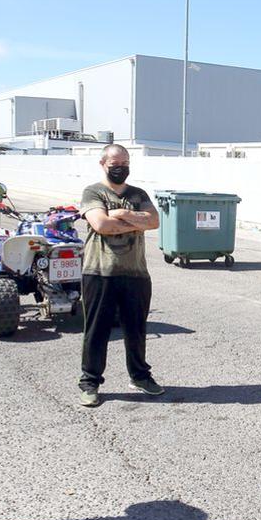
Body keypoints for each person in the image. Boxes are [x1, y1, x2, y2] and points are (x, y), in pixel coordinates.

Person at [77, 144, 162, 407]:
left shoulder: (138, 194)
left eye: (125, 164)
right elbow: (101, 224)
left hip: (136, 273)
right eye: (115, 164)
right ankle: (90, 382)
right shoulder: (93, 192)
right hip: (99, 272)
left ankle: (139, 376)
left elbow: (154, 221)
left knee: (136, 330)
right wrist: (136, 221)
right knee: (97, 331)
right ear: (103, 164)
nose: (121, 168)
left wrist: (123, 214)